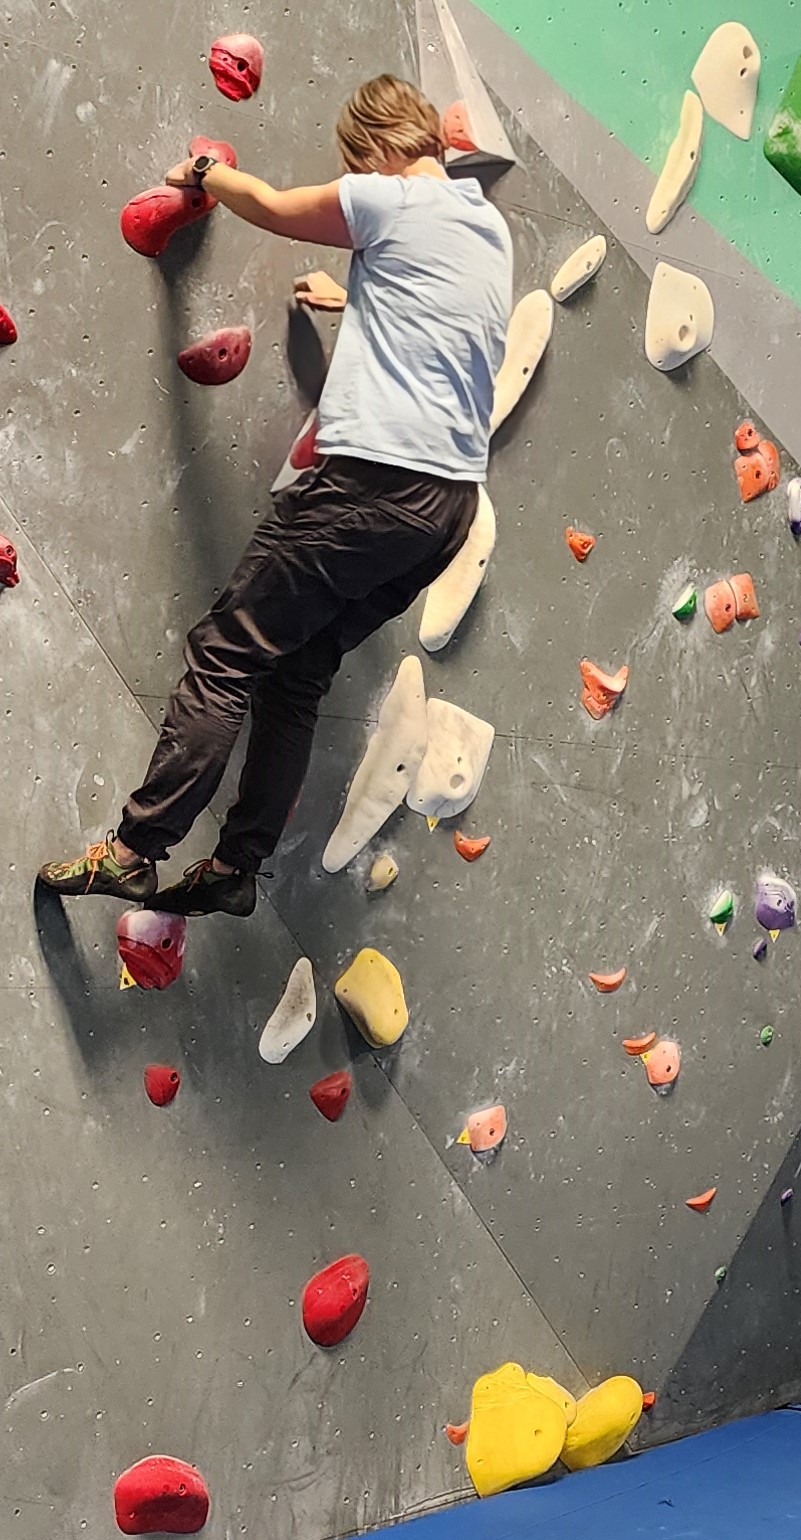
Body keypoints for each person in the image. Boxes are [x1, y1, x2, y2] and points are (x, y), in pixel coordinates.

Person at [39, 76, 512, 917]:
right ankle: (235, 869)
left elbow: (268, 203)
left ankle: (135, 850)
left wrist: (205, 176)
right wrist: (356, 293)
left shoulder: (386, 198)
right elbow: (439, 327)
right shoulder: (488, 229)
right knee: (298, 674)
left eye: (353, 161)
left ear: (374, 150)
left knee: (226, 652)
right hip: (445, 509)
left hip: (371, 482)